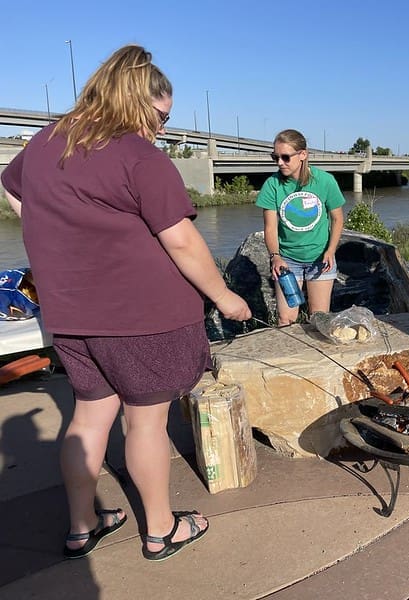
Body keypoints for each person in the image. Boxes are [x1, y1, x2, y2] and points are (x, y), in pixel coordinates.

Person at [1, 45, 252, 561]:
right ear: (138, 102)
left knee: (89, 417)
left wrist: (66, 234)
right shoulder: (140, 156)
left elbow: (15, 196)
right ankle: (160, 529)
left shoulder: (47, 143)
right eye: (162, 115)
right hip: (144, 318)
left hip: (71, 316)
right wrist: (226, 299)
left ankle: (82, 525)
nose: (163, 127)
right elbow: (182, 242)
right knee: (145, 423)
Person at [256, 129, 345, 325]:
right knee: (285, 318)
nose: (280, 163)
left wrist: (330, 251)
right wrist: (275, 257)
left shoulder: (325, 181)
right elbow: (270, 228)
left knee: (319, 318)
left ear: (303, 155)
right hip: (288, 261)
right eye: (275, 157)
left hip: (320, 259)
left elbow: (337, 219)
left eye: (286, 157)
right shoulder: (272, 185)